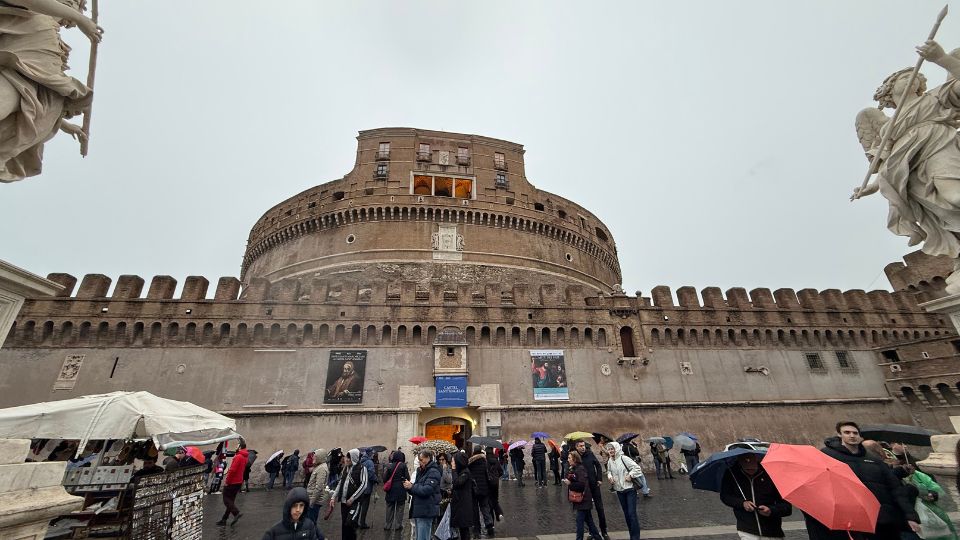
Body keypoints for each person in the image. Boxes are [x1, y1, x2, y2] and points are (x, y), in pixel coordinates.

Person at [852, 40, 960, 292]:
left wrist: (942, 58)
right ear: (890, 90)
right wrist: (874, 186)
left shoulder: (936, 96)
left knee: (955, 198)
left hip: (938, 148)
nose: (913, 77)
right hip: (909, 173)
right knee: (943, 217)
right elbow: (890, 162)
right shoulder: (887, 126)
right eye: (904, 77)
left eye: (916, 76)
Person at [0, 0, 103, 183]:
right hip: (12, 78)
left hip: (25, 90)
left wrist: (61, 122)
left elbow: (43, 91)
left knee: (45, 110)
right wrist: (80, 19)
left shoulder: (51, 36)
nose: (78, 11)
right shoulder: (31, 15)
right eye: (75, 4)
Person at [803, 422, 920, 540]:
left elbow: (896, 489)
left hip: (881, 517)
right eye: (847, 432)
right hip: (850, 519)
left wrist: (910, 516)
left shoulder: (874, 460)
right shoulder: (827, 455)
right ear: (839, 434)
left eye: (855, 433)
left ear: (860, 436)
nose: (852, 436)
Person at [719, 452, 792, 540]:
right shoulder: (732, 474)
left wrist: (771, 510)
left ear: (757, 460)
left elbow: (787, 507)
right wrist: (742, 503)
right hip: (747, 529)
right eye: (747, 469)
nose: (751, 471)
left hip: (772, 530)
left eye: (753, 468)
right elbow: (725, 496)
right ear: (740, 463)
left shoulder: (772, 474)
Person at [604, 441, 643, 540]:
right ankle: (632, 535)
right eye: (609, 449)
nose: (610, 451)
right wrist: (609, 476)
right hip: (619, 490)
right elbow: (608, 471)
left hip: (629, 489)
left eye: (612, 449)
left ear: (616, 449)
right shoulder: (610, 461)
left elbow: (637, 468)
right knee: (626, 515)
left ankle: (635, 537)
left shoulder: (624, 458)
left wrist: (630, 475)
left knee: (631, 514)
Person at [329, 448, 368, 540]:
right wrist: (333, 497)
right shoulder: (345, 468)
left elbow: (364, 484)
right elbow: (340, 483)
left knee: (350, 523)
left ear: (353, 459)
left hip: (354, 503)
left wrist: (353, 498)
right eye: (346, 457)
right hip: (344, 502)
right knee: (344, 525)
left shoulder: (362, 468)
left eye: (348, 458)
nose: (346, 459)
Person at [563, 451, 603, 540]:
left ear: (575, 459)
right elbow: (570, 478)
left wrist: (570, 484)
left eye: (570, 458)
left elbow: (581, 485)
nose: (568, 460)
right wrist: (568, 471)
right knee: (589, 521)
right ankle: (597, 537)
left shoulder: (580, 469)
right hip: (580, 499)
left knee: (579, 521)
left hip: (584, 499)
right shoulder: (573, 468)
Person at [404, 449, 442, 540]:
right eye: (419, 460)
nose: (420, 462)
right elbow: (417, 487)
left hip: (426, 509)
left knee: (423, 537)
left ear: (428, 458)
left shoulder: (433, 471)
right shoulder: (421, 471)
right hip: (419, 509)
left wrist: (412, 487)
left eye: (421, 460)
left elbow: (427, 489)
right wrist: (409, 487)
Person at [575, 439, 609, 540]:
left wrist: (599, 479)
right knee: (587, 511)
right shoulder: (576, 457)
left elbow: (598, 466)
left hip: (594, 485)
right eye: (580, 446)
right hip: (584, 488)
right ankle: (591, 531)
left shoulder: (590, 454)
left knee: (600, 509)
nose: (583, 447)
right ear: (576, 447)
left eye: (583, 445)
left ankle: (604, 531)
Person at [217, 440, 248, 526]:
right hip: (239, 481)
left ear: (240, 447)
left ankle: (236, 513)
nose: (235, 447)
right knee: (231, 501)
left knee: (226, 499)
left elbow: (232, 470)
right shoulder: (245, 457)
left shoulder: (238, 457)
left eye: (237, 446)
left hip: (233, 481)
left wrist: (227, 481)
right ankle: (224, 519)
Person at [468, 447, 494, 536]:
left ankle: (477, 530)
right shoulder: (485, 462)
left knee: (475, 510)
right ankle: (489, 525)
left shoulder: (470, 463)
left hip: (474, 490)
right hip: (484, 489)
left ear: (474, 452)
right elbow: (488, 476)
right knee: (485, 508)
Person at [451, 451, 476, 540]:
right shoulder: (462, 471)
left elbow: (457, 483)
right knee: (462, 528)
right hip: (460, 503)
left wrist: (453, 470)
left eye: (453, 461)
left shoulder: (465, 472)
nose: (452, 463)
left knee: (464, 529)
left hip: (464, 505)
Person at [383, 450, 409, 531]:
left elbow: (384, 478)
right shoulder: (403, 466)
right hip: (401, 490)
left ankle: (388, 525)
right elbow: (407, 478)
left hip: (390, 490)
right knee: (400, 508)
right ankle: (398, 525)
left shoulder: (389, 466)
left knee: (389, 508)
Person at [306, 448, 330, 524]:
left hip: (315, 501)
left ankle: (318, 536)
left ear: (320, 457)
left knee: (311, 522)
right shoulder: (320, 466)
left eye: (315, 456)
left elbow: (319, 487)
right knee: (311, 521)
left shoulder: (322, 469)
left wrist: (311, 502)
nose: (313, 457)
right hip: (312, 499)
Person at [356, 449, 376, 528]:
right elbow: (371, 474)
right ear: (370, 453)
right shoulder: (369, 462)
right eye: (372, 453)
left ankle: (355, 521)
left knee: (358, 505)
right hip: (367, 487)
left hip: (359, 486)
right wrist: (375, 480)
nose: (373, 455)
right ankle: (362, 523)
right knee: (365, 505)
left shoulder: (360, 461)